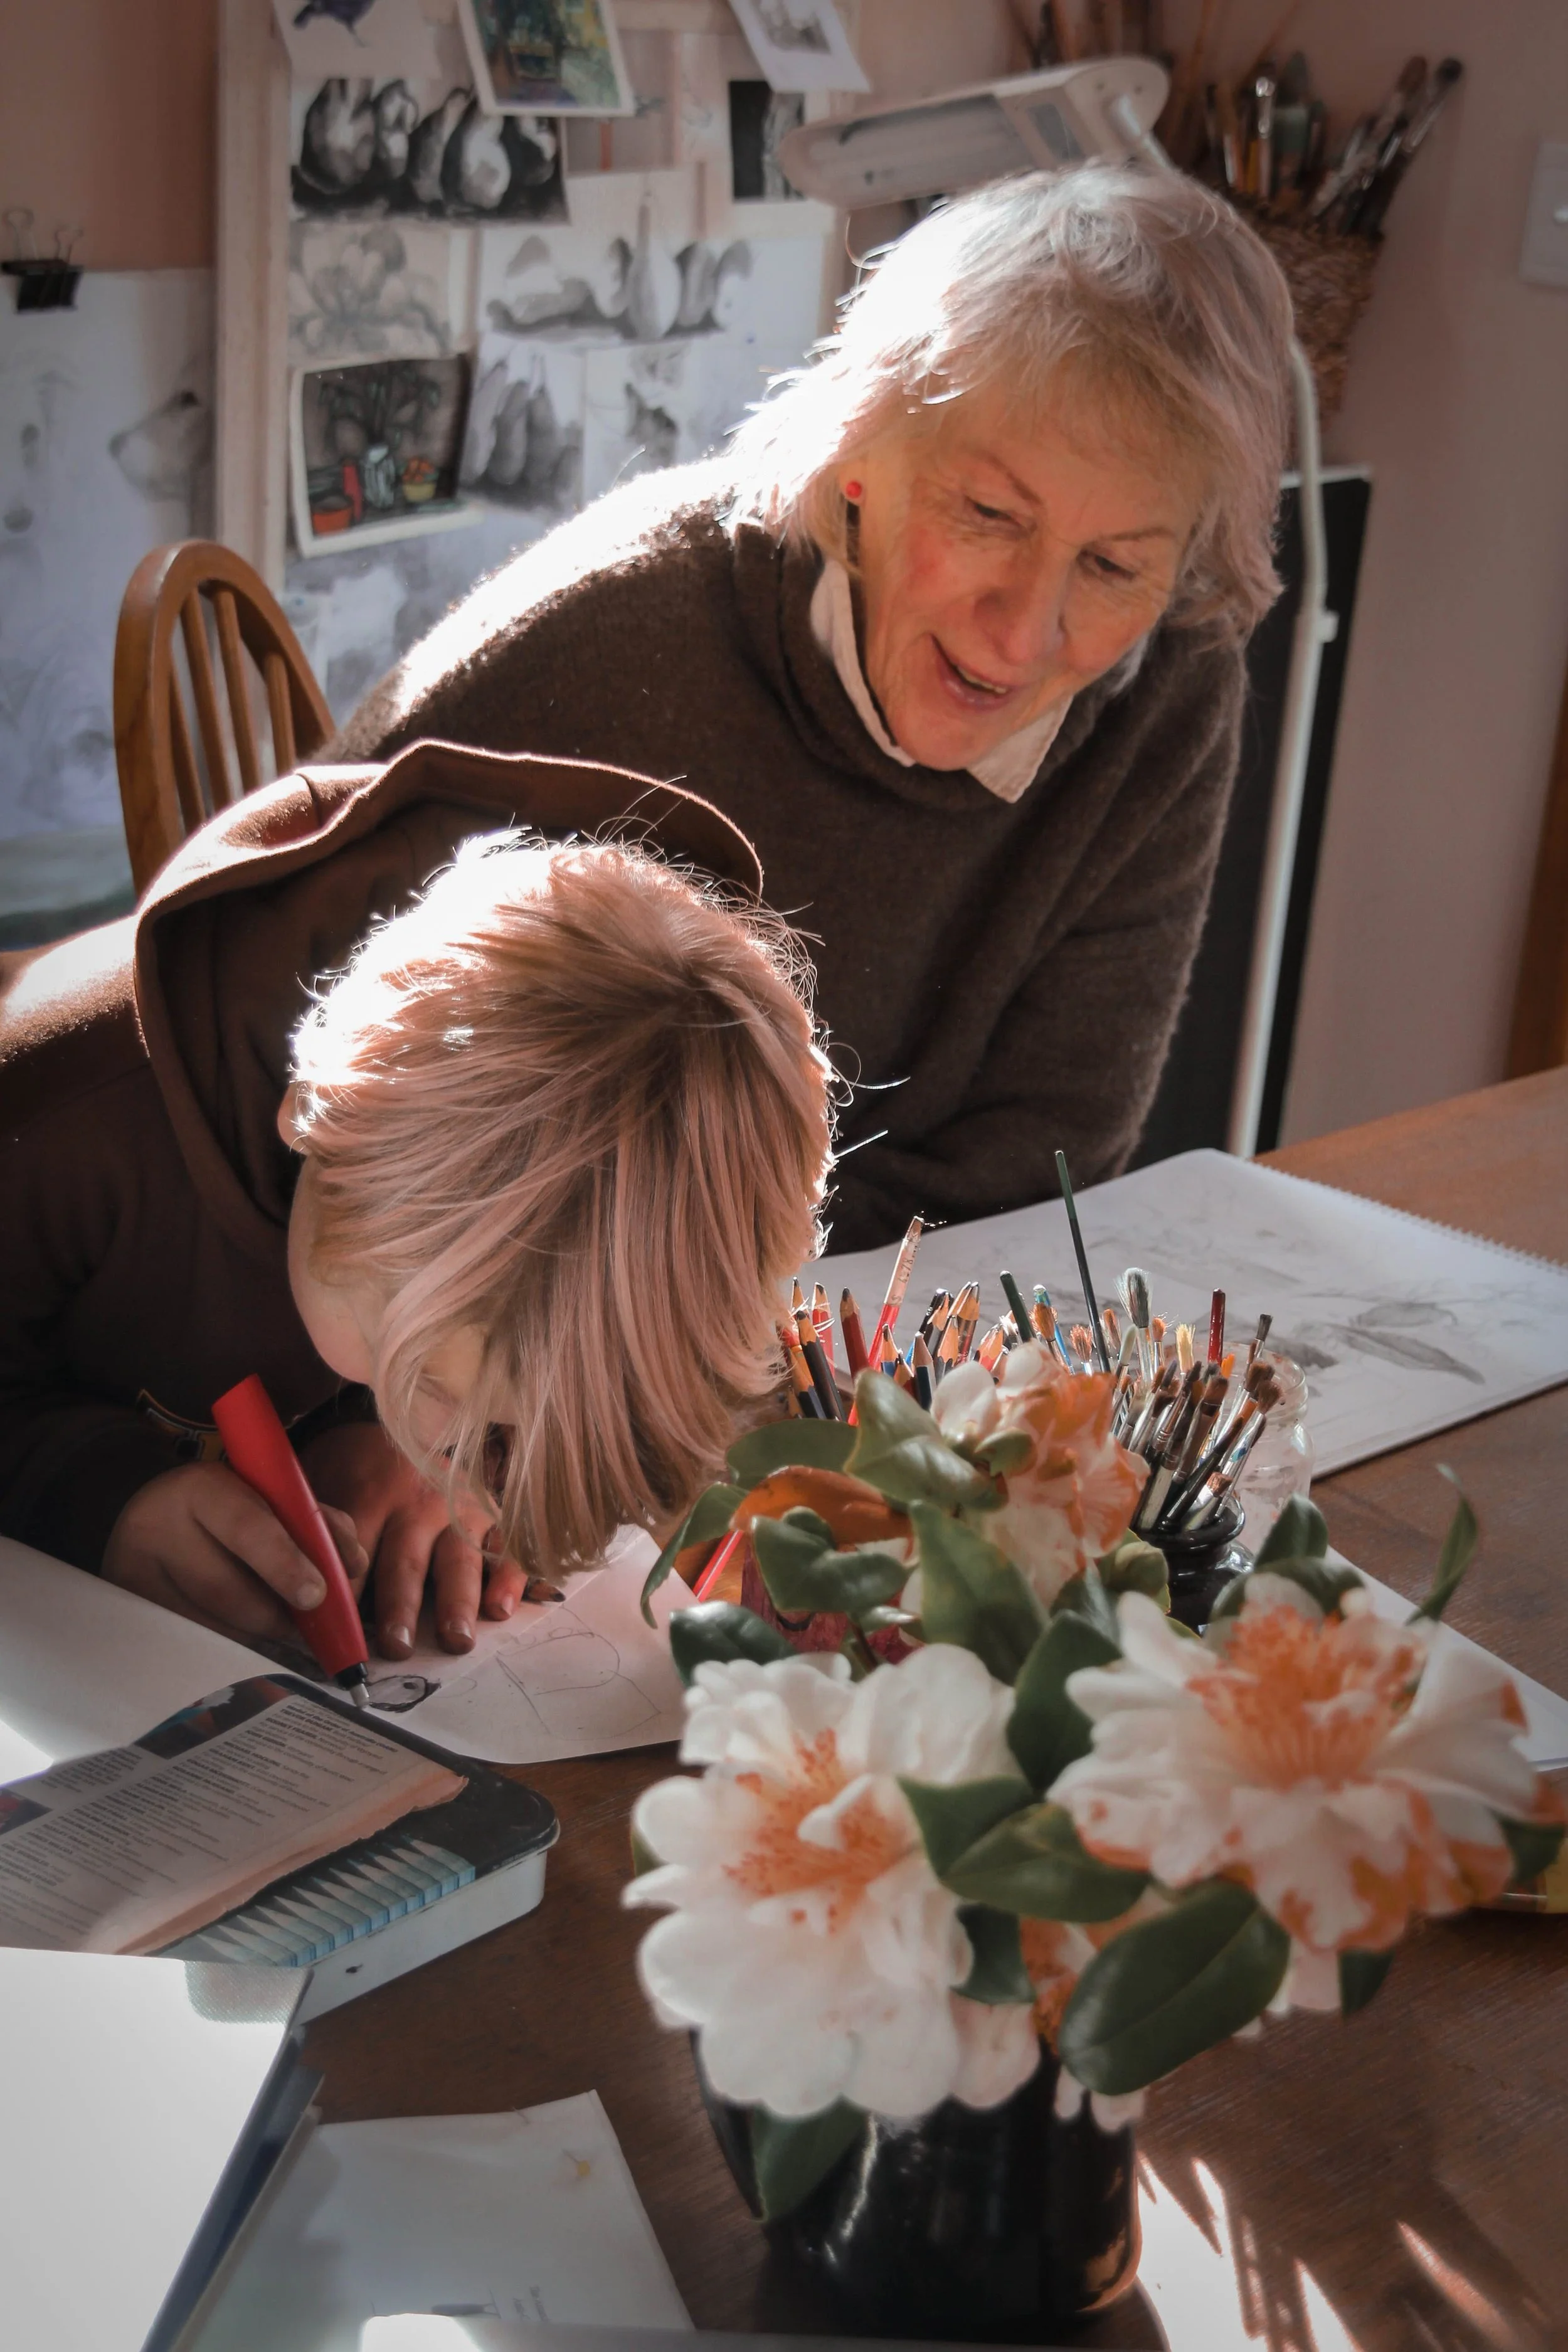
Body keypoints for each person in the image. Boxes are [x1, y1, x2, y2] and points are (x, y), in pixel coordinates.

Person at [330, 164, 1296, 1251]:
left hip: (858, 1330)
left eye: (1114, 566)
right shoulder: (606, 635)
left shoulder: (1167, 687)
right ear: (858, 456)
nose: (1025, 634)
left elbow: (1038, 1165)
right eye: (987, 513)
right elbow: (284, 1014)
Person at [0, 742, 832, 1658]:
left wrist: (385, 1437)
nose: (477, 1501)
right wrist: (98, 1496)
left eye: (498, 1436)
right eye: (430, 1389)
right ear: (313, 1118)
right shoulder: (66, 1119)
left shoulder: (630, 1071)